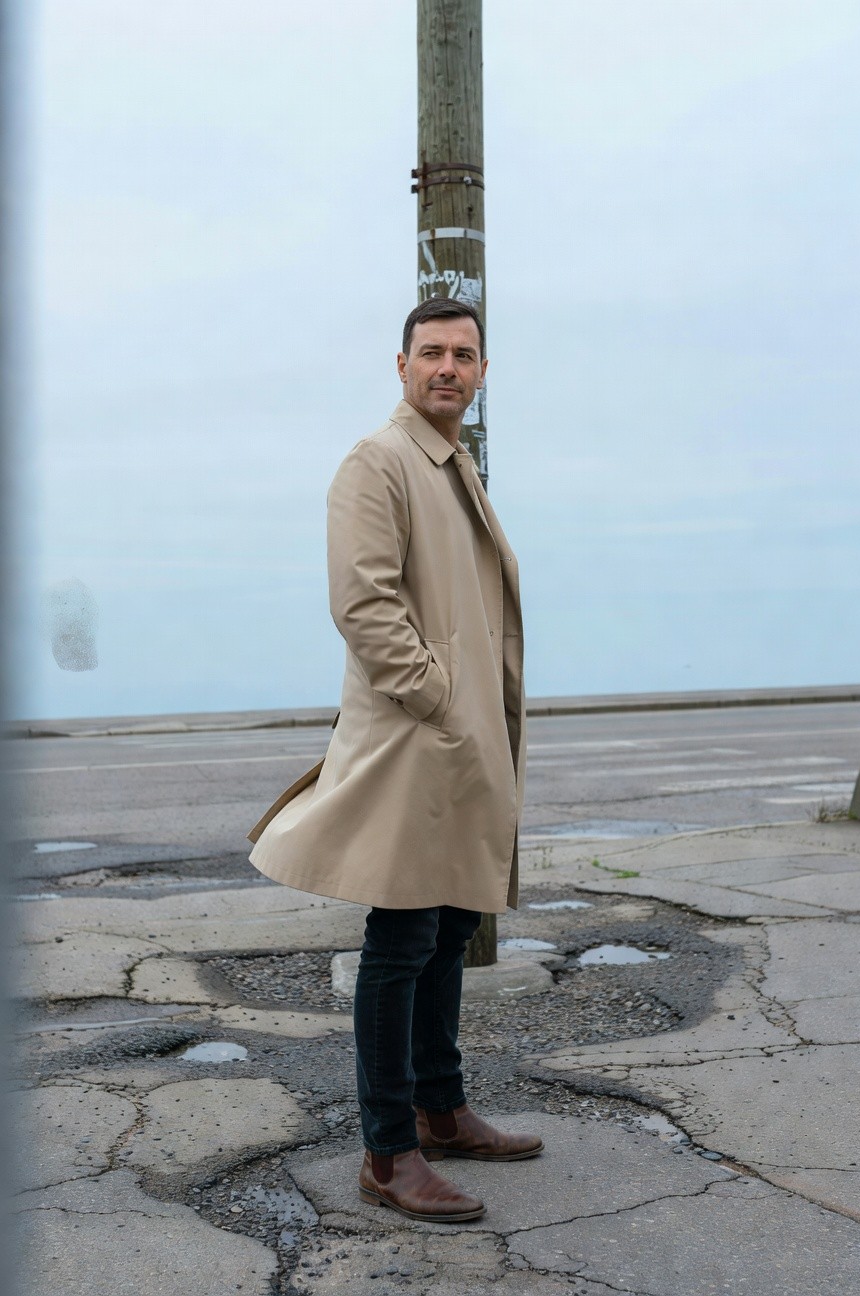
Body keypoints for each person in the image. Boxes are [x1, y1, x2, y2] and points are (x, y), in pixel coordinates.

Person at [248, 298, 541, 1223]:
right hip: (416, 741)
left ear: (483, 371)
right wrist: (437, 697)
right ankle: (388, 1151)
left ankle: (442, 1107)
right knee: (403, 938)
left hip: (460, 743)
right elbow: (364, 602)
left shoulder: (456, 466)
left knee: (452, 927)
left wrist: (469, 714)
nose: (447, 367)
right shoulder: (378, 462)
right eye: (432, 354)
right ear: (402, 365)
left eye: (464, 355)